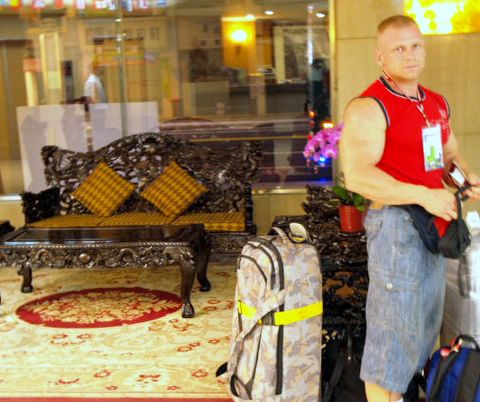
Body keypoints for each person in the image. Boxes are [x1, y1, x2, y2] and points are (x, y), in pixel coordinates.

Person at [340, 15, 480, 402]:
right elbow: (357, 176)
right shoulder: (369, 107)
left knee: (422, 330)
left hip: (433, 226)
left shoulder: (434, 103)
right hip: (395, 227)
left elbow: (446, 158)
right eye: (398, 48)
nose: (409, 54)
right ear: (380, 56)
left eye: (415, 45)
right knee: (392, 337)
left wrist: (464, 177)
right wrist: (422, 194)